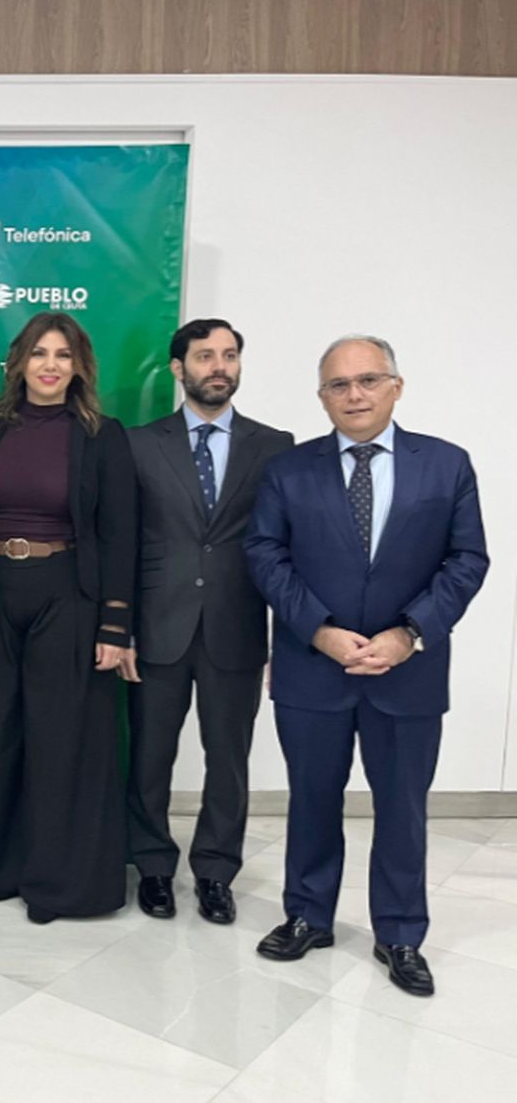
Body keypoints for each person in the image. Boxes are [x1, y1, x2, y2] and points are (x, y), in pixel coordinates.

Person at [245, 335, 487, 996]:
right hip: (311, 668)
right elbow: (265, 554)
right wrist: (317, 630)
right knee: (312, 799)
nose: (354, 395)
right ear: (321, 397)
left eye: (368, 380)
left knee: (403, 807)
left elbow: (467, 561)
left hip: (406, 672)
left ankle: (401, 931)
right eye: (338, 385)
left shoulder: (446, 465)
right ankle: (308, 915)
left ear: (397, 387)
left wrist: (411, 633)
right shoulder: (288, 470)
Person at [0, 312, 137, 923]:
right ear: (19, 363)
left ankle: (55, 882)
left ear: (79, 366)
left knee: (60, 741)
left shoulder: (102, 436)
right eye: (39, 353)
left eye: (63, 355)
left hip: (68, 595)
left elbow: (120, 534)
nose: (50, 365)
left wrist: (115, 625)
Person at [125, 319, 293, 924]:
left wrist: (288, 636)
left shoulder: (275, 445)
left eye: (229, 355)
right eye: (204, 356)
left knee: (229, 760)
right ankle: (152, 866)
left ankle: (217, 872)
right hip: (157, 626)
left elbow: (284, 546)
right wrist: (121, 630)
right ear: (179, 369)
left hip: (237, 626)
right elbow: (125, 542)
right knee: (149, 758)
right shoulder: (140, 443)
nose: (218, 366)